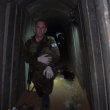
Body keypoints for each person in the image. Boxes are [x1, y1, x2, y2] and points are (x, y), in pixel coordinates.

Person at [24, 19, 60, 110]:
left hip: (47, 71)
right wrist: (37, 59)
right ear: (34, 29)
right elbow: (26, 58)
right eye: (38, 27)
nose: (40, 30)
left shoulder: (50, 40)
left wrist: (50, 66)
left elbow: (57, 56)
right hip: (35, 73)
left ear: (45, 30)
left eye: (42, 27)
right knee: (39, 90)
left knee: (47, 91)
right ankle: (41, 94)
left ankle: (46, 100)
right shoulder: (28, 43)